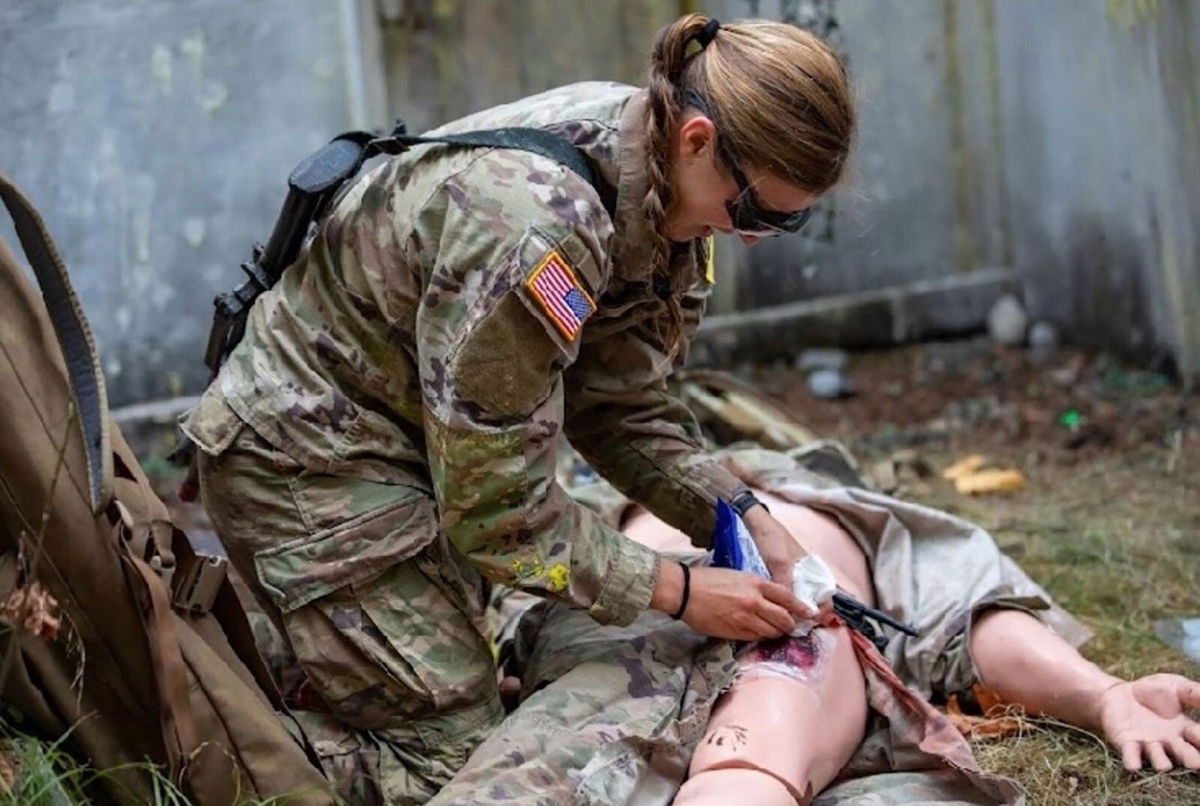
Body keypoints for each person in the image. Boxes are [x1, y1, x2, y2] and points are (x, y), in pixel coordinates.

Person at [181, 13, 856, 802]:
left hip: (408, 449)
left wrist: (744, 519)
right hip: (306, 466)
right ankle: (185, 739)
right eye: (758, 213)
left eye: (790, 220)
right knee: (454, 764)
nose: (754, 239)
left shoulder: (657, 177)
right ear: (700, 138)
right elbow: (499, 513)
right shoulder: (535, 231)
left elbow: (623, 407)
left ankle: (304, 659)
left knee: (466, 690)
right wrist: (676, 592)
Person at [431, 440, 1200, 805]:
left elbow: (970, 617)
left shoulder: (845, 520)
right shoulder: (586, 525)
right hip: (627, 627)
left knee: (746, 766)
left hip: (756, 651)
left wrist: (1104, 697)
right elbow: (964, 623)